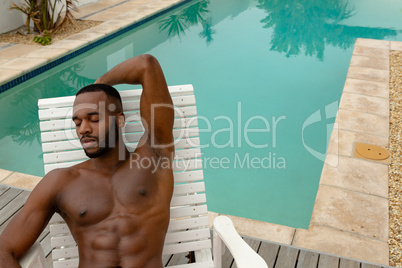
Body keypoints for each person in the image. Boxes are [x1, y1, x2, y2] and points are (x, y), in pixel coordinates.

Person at [0, 54, 175, 268]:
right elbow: (4, 251)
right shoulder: (60, 182)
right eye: (77, 123)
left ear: (119, 119)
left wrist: (102, 81)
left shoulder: (153, 158)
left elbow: (146, 65)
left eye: (94, 119)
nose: (83, 129)